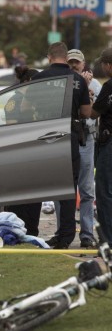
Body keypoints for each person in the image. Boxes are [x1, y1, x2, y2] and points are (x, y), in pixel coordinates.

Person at [26, 42, 91, 249]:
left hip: (42, 136)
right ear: (65, 57)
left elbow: (25, 107)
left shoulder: (38, 78)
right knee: (68, 190)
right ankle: (65, 237)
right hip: (67, 137)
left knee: (36, 186)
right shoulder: (79, 80)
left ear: (49, 57)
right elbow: (87, 113)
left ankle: (31, 232)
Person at [66, 49, 101, 248]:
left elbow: (93, 113)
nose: (73, 67)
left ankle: (87, 234)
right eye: (70, 63)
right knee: (64, 189)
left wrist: (87, 90)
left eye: (76, 63)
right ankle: (64, 231)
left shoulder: (95, 84)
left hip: (86, 139)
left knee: (87, 190)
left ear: (83, 63)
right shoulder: (63, 81)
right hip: (67, 137)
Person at [4, 66, 41, 236]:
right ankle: (16, 230)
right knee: (18, 197)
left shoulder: (36, 100)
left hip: (34, 153)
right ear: (28, 82)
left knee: (35, 195)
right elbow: (12, 129)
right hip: (19, 153)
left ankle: (32, 230)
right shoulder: (15, 100)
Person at [90, 47, 112, 247]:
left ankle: (107, 240)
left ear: (109, 65)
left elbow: (93, 114)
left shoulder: (109, 87)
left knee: (104, 191)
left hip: (109, 144)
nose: (103, 68)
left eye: (104, 64)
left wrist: (87, 95)